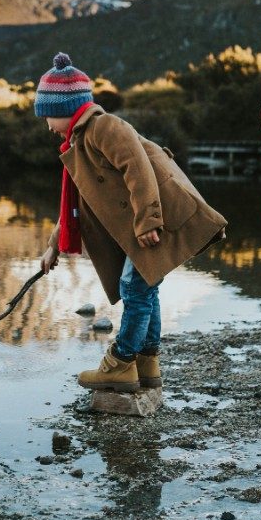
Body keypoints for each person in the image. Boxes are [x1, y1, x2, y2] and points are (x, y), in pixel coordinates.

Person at [35, 53, 227, 392]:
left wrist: (147, 221)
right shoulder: (79, 142)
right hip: (145, 223)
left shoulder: (104, 127)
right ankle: (147, 361)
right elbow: (76, 205)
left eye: (46, 113)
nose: (46, 123)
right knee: (144, 288)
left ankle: (120, 363)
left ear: (63, 108)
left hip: (157, 220)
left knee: (135, 289)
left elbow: (138, 168)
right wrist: (53, 247)